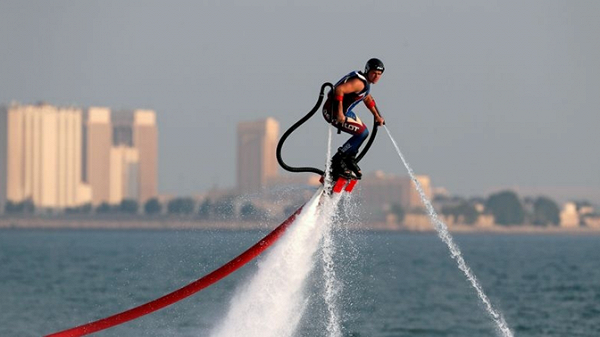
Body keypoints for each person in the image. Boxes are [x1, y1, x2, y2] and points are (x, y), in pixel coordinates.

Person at [322, 58, 386, 180]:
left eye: (379, 74)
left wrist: (376, 116)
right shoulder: (359, 83)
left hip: (345, 112)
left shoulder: (365, 84)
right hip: (332, 113)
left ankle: (349, 159)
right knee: (362, 133)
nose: (376, 76)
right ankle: (337, 161)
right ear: (367, 70)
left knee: (363, 132)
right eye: (374, 73)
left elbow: (367, 98)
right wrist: (340, 114)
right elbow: (339, 90)